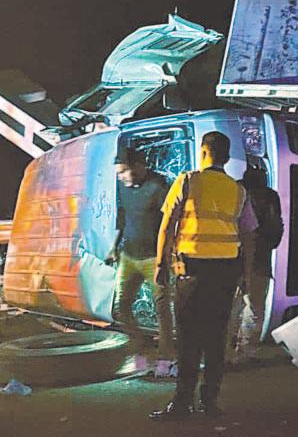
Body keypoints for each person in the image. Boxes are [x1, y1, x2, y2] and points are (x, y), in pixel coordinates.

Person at [150, 132, 258, 421]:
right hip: (226, 274)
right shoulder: (238, 190)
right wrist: (246, 275)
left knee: (189, 338)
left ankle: (182, 403)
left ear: (203, 152)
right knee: (216, 339)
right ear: (226, 157)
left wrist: (161, 264)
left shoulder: (187, 181)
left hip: (192, 272)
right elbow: (249, 236)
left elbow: (167, 225)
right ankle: (210, 403)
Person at [107, 147, 175, 369]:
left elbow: (170, 224)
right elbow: (123, 217)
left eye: (124, 171)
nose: (121, 177)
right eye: (118, 173)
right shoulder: (123, 186)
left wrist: (167, 257)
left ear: (138, 166)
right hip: (128, 256)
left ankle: (166, 356)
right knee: (120, 307)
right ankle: (140, 349)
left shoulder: (158, 187)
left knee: (162, 309)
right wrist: (114, 247)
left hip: (153, 258)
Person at [228, 166, 283, 364]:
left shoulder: (234, 191)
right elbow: (276, 229)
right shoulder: (270, 197)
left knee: (230, 307)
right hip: (260, 259)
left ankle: (224, 351)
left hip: (232, 258)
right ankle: (246, 351)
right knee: (254, 308)